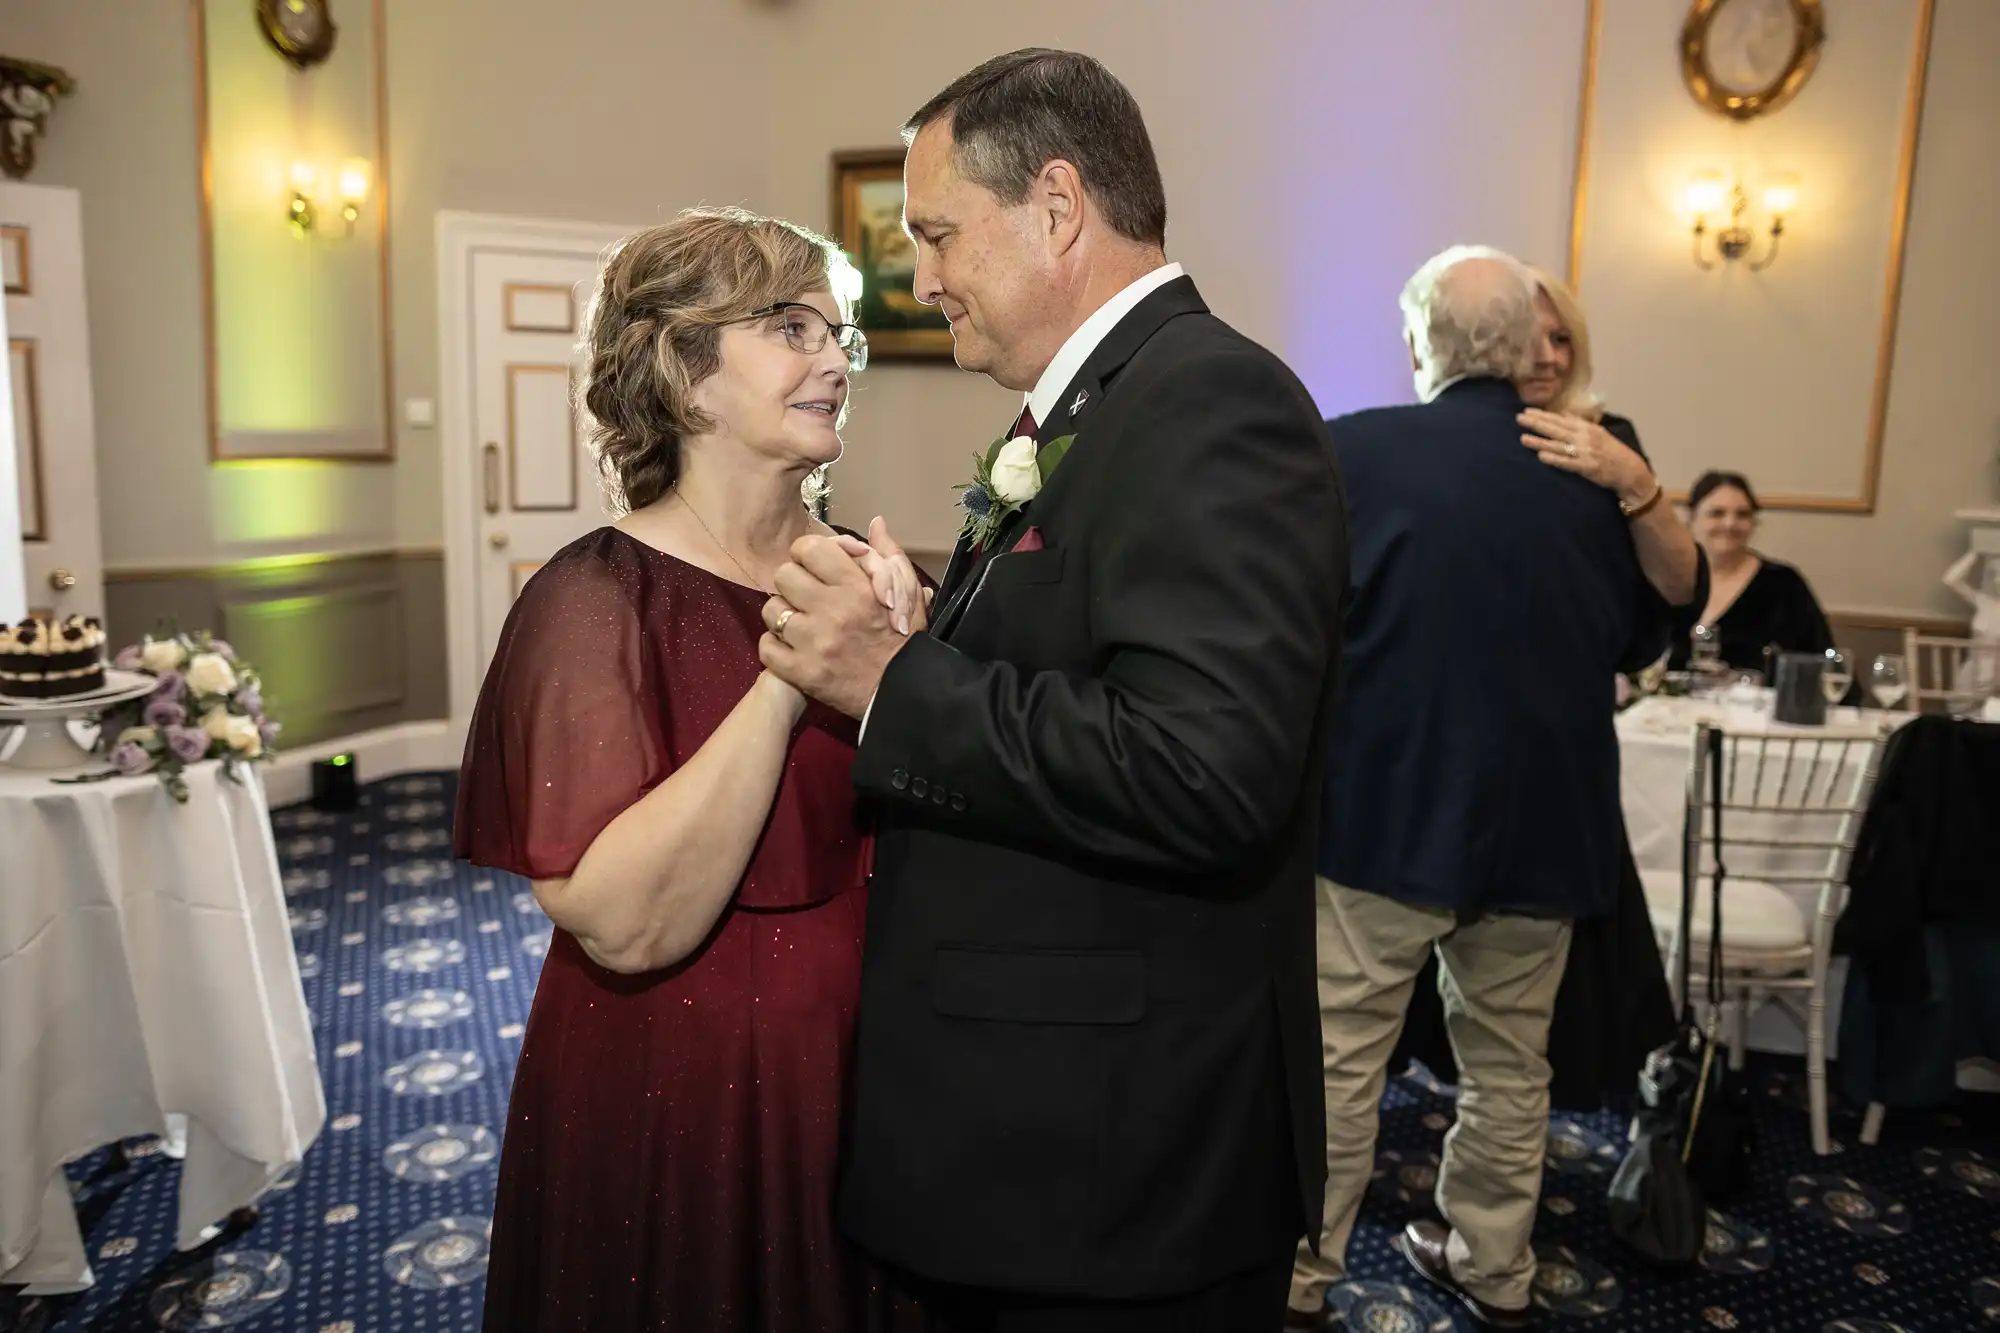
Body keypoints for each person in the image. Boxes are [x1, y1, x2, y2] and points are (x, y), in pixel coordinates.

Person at [754, 48, 1346, 1332]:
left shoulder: (1208, 403)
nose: (925, 280)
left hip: (1112, 1161)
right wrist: (938, 638)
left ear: (1058, 206)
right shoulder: (1101, 402)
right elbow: (1092, 665)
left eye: (938, 235)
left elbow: (1204, 772)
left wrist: (895, 682)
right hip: (1053, 1132)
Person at [452, 207, 928, 1333]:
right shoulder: (592, 602)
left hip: (884, 1049)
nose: (834, 360)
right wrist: (790, 674)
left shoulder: (873, 576)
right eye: (789, 326)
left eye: (840, 334)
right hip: (688, 1076)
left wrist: (906, 673)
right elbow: (621, 923)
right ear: (683, 369)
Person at [1289, 247, 1687, 1331]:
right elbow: (1650, 628)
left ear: (1419, 344)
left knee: (1334, 1067)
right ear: (1524, 350)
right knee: (1511, 1070)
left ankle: (1299, 1278)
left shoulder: (1349, 453)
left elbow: (1297, 633)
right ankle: (1492, 1266)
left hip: (1381, 816)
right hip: (1545, 831)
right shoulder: (1593, 479)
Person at [1383, 266, 1696, 1125]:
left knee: (1512, 1045)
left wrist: (1634, 481)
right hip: (1443, 765)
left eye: (1565, 338)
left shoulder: (1605, 444)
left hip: (1544, 776)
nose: (1550, 354)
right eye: (1538, 336)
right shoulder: (1448, 448)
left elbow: (1670, 600)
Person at [1669, 470, 1834, 673]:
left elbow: (1819, 661)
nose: (1730, 524)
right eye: (1717, 513)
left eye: (1743, 514)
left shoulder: (1783, 583)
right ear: (1691, 518)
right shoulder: (1667, 577)